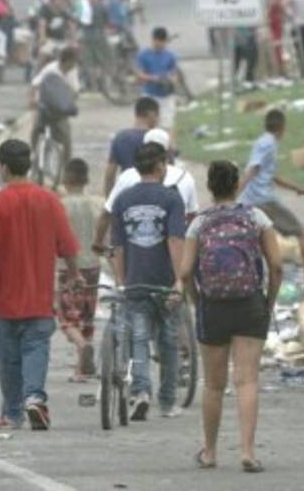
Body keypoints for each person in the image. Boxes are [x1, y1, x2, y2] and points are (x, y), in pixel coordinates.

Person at [181, 161, 284, 473]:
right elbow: (277, 266)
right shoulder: (256, 217)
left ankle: (210, 452)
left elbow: (185, 272)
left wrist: (198, 300)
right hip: (250, 303)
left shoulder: (199, 223)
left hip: (213, 306)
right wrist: (268, 300)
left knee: (213, 385)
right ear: (237, 183)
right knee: (247, 380)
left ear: (210, 187)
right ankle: (248, 452)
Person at [0, 139, 80, 430]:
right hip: (40, 298)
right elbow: (68, 245)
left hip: (5, 298)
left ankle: (12, 413)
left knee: (8, 359)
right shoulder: (49, 200)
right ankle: (34, 398)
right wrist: (74, 274)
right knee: (36, 348)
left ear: (3, 168)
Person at [107, 142, 187, 420]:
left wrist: (121, 279)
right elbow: (176, 240)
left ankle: (141, 391)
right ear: (160, 166)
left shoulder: (122, 200)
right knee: (168, 342)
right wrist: (179, 279)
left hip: (135, 281)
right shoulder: (172, 198)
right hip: (164, 281)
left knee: (138, 339)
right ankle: (167, 402)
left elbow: (117, 246)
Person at [239, 109, 304, 291]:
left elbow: (272, 176)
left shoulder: (265, 142)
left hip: (253, 201)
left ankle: (253, 284)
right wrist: (235, 192)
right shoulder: (268, 143)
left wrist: (298, 189)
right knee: (303, 232)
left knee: (258, 243)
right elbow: (253, 169)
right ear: (282, 127)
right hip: (264, 200)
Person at [98, 129, 201, 245]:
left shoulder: (127, 176)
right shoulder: (185, 177)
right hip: (175, 246)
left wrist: (98, 243)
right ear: (168, 151)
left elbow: (107, 213)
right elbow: (192, 217)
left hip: (135, 247)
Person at [56, 159, 103, 381]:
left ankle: (82, 346)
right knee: (87, 316)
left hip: (68, 268)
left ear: (65, 179)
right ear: (86, 180)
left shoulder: (60, 206)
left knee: (67, 318)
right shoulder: (97, 204)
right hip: (93, 266)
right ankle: (81, 369)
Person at [30, 46, 80, 169]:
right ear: (67, 61)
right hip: (45, 107)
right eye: (74, 61)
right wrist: (32, 100)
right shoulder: (50, 69)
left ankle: (66, 169)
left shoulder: (73, 72)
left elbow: (75, 91)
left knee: (66, 140)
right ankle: (34, 157)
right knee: (36, 130)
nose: (75, 64)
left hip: (60, 111)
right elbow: (35, 84)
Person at [104, 97, 160, 196]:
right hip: (153, 194)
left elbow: (109, 175)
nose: (158, 120)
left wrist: (109, 200)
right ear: (151, 114)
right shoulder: (158, 138)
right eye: (157, 115)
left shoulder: (120, 138)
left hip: (127, 192)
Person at [137, 27, 179, 130]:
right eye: (160, 42)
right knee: (150, 126)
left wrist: (173, 81)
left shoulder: (170, 56)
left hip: (167, 96)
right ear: (154, 40)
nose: (162, 45)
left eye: (164, 42)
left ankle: (169, 145)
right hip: (150, 95)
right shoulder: (144, 55)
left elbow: (175, 74)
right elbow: (140, 74)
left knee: (167, 126)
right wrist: (153, 78)